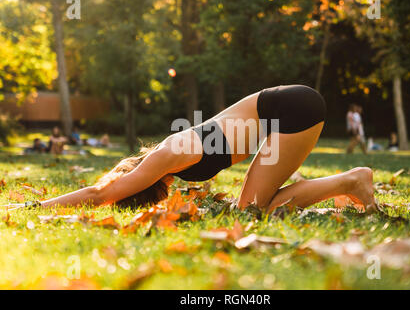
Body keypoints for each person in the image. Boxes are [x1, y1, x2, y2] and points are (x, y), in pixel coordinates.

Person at [30, 85, 378, 214]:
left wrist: (37, 206)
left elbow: (98, 192)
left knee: (252, 209)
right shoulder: (171, 160)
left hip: (292, 108)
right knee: (252, 205)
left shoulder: (165, 156)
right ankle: (348, 183)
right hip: (288, 109)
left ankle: (351, 181)